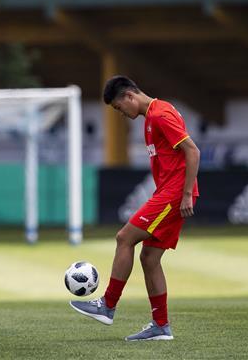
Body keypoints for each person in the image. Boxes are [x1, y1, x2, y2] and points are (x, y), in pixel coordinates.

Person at [70, 75, 200, 341]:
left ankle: (107, 305)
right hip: (169, 192)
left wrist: (186, 193)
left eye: (119, 108)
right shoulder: (152, 116)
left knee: (124, 237)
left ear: (130, 96)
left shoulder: (161, 115)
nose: (121, 113)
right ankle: (161, 326)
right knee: (149, 258)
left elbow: (193, 151)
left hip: (174, 193)